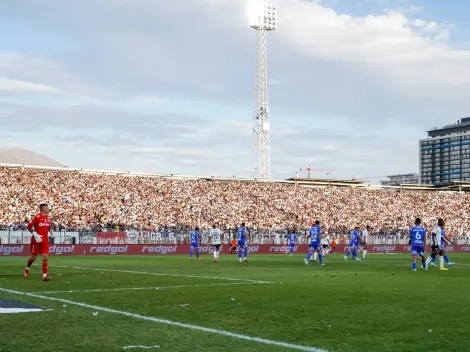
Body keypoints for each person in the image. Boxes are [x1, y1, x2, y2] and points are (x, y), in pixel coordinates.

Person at [25, 203, 52, 281]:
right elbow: (29, 226)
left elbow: (48, 228)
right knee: (33, 257)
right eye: (47, 208)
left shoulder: (48, 219)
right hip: (36, 240)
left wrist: (50, 232)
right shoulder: (37, 217)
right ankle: (27, 268)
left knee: (45, 256)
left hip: (44, 240)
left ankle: (44, 276)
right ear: (43, 209)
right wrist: (34, 234)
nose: (48, 209)